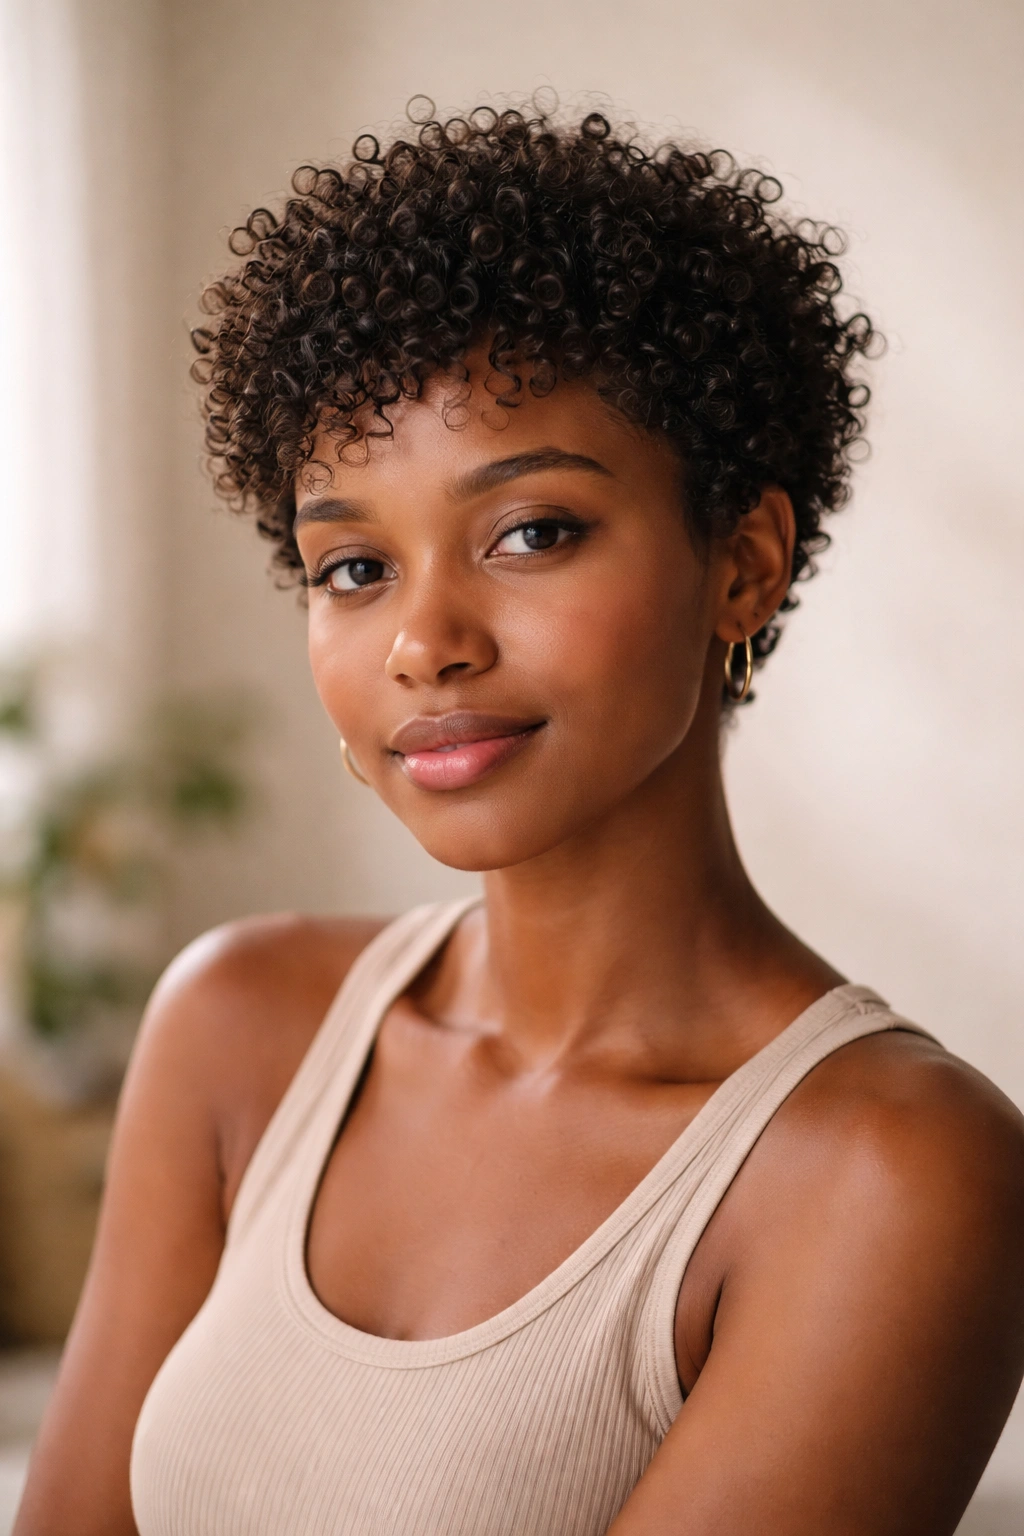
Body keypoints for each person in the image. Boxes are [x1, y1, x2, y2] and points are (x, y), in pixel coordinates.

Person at [16, 104, 1024, 1536]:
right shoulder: (240, 1027)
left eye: (533, 532)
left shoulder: (891, 1176)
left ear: (742, 565)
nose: (424, 641)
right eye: (354, 564)